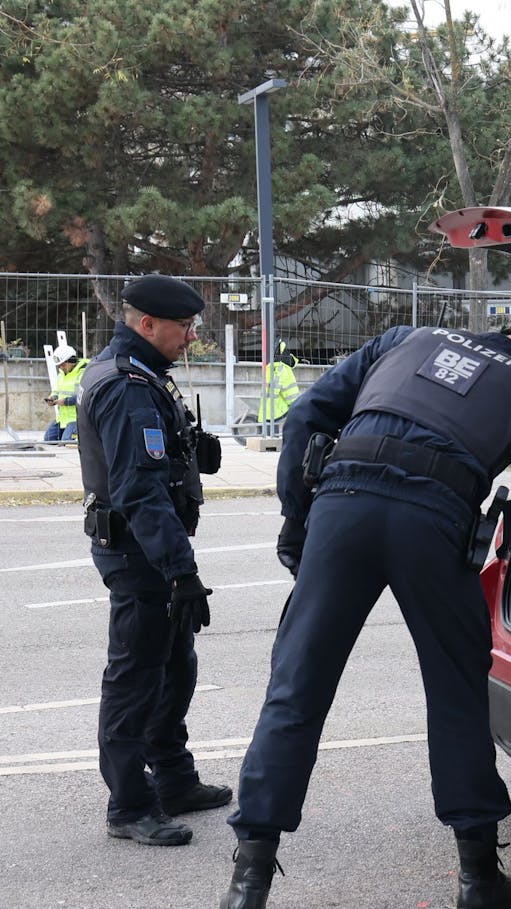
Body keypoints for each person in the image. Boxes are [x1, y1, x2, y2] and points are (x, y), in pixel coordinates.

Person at [222, 325, 511, 909]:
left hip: (342, 503)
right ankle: (479, 880)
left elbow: (303, 418)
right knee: (456, 693)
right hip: (433, 520)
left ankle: (247, 884)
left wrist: (298, 521)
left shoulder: (403, 339)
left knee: (296, 689)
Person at [76, 275, 229, 847]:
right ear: (147, 325)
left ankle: (172, 779)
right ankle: (130, 805)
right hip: (140, 553)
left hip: (151, 550)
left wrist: (195, 448)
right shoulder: (126, 386)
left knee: (174, 666)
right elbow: (138, 488)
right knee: (136, 676)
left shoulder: (142, 375)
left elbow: (157, 461)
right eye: (185, 327)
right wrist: (179, 571)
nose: (192, 336)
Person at [44, 348, 87, 442]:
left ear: (71, 361)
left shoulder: (83, 373)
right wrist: (53, 398)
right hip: (63, 419)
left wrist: (66, 401)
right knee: (48, 439)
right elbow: (56, 391)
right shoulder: (61, 375)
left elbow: (85, 396)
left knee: (66, 441)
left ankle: (83, 436)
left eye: (63, 364)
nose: (61, 367)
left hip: (77, 418)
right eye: (59, 365)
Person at [256, 340, 300, 430]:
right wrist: (296, 405)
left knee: (270, 434)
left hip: (267, 410)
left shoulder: (270, 367)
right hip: (279, 410)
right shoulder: (283, 369)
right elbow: (290, 393)